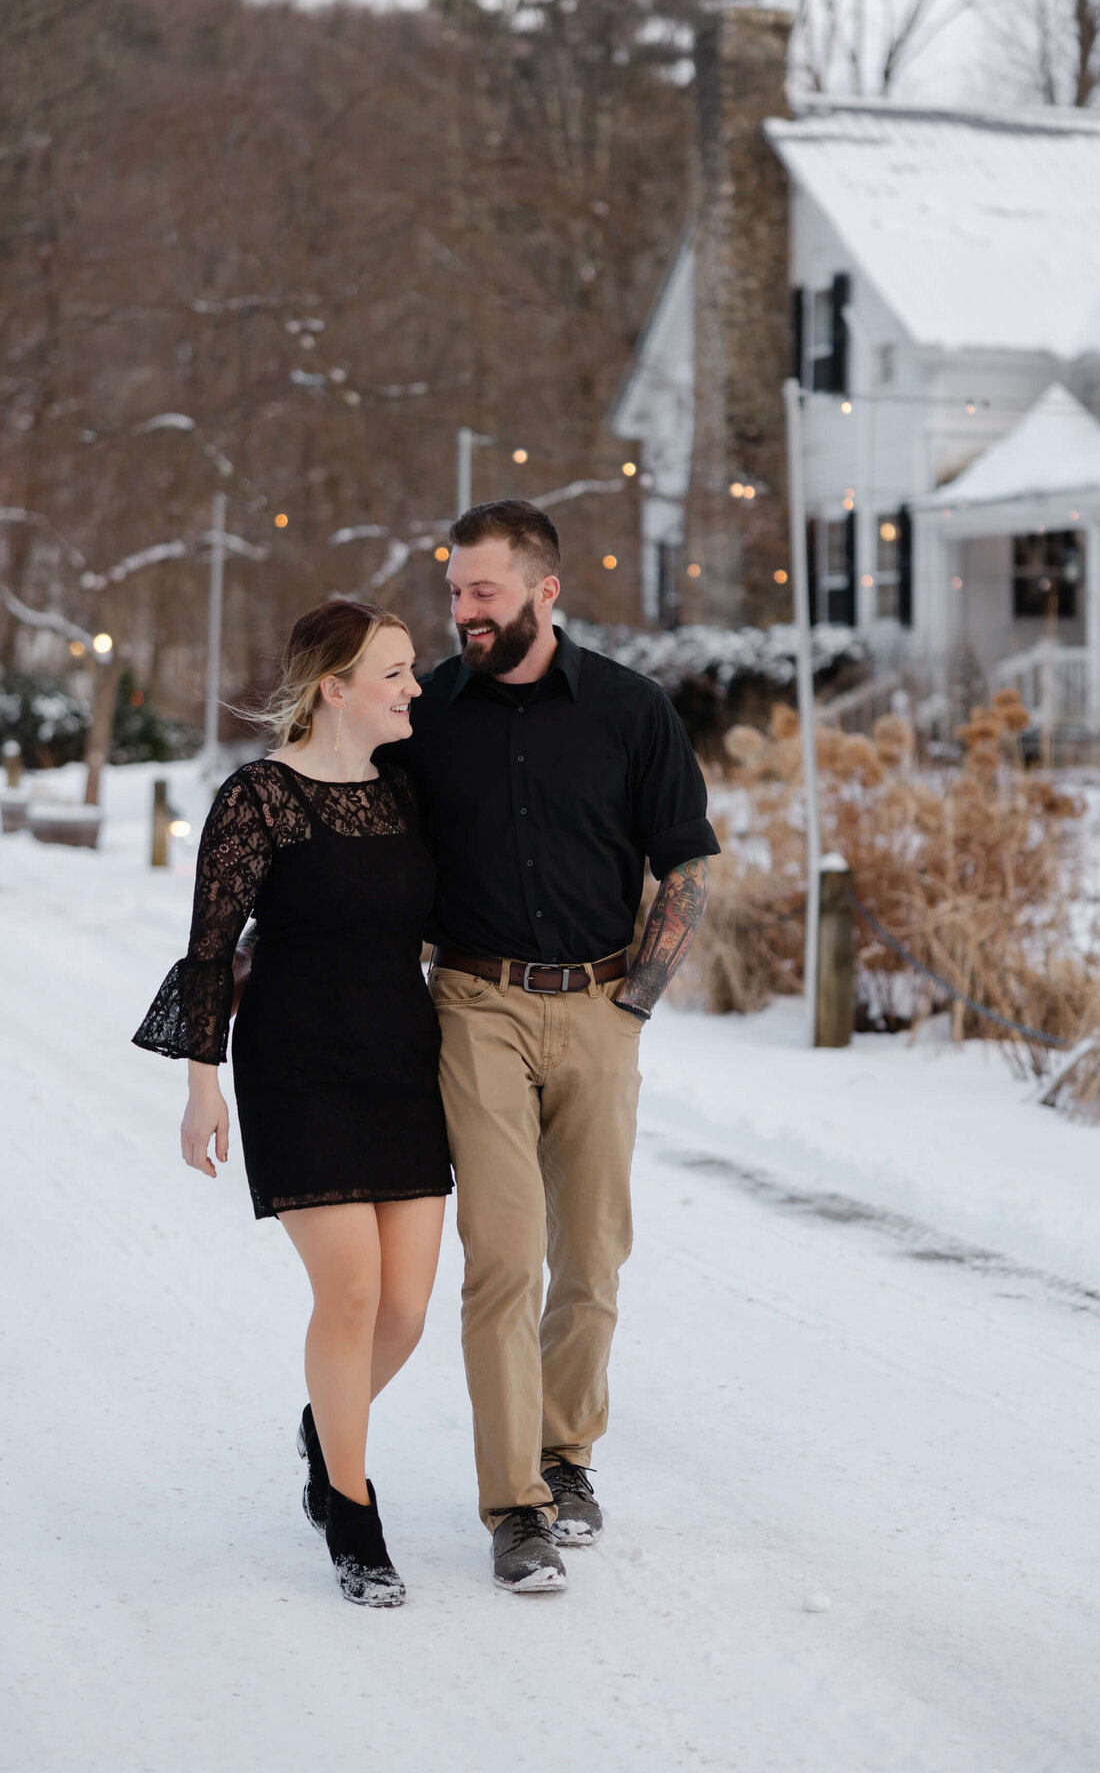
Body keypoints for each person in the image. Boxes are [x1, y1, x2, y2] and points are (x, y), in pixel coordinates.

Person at [380, 498, 718, 1594]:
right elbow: (362, 841)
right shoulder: (426, 710)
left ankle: (566, 1457)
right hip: (474, 1003)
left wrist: (636, 1006)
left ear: (544, 590)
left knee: (593, 1255)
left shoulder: (630, 711)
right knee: (503, 1256)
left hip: (601, 1005)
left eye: (483, 592)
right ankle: (512, 1507)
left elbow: (688, 867)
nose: (464, 612)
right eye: (455, 593)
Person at [133, 600, 452, 1609]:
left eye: (412, 669)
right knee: (351, 1292)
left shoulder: (407, 788)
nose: (413, 687)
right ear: (336, 688)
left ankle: (327, 1424)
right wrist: (201, 1081)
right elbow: (207, 947)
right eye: (395, 672)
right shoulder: (257, 798)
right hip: (297, 1069)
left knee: (406, 1308)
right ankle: (352, 1516)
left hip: (403, 1060)